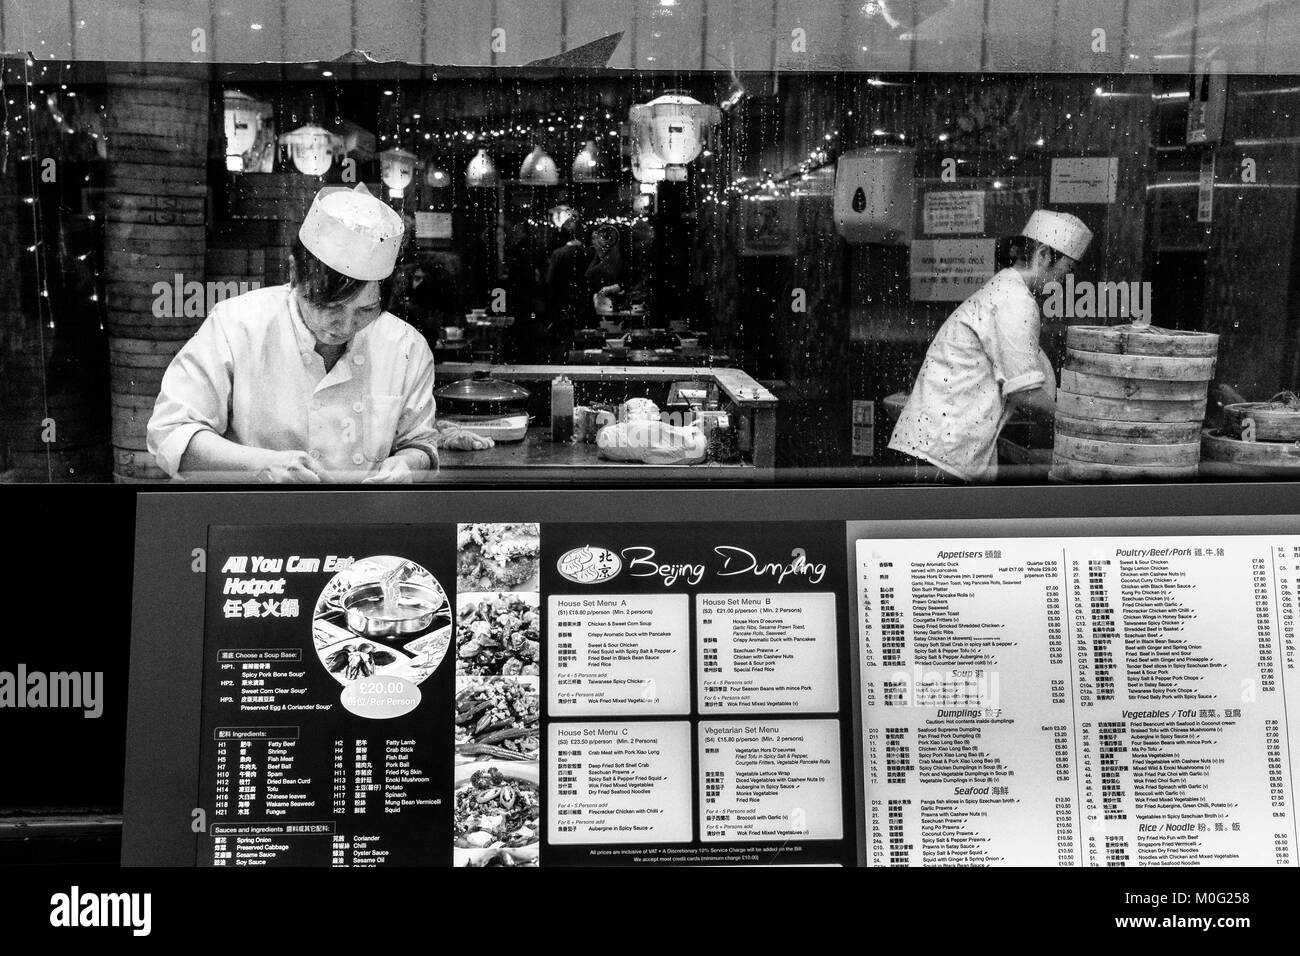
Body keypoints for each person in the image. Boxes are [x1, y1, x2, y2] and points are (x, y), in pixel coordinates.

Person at [147, 182, 490, 484]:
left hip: (367, 531)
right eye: (329, 306)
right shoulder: (237, 325)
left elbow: (419, 442)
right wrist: (262, 466)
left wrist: (405, 465)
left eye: (365, 311)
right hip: (257, 535)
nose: (343, 326)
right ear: (295, 273)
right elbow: (172, 434)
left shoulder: (405, 346)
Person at [888, 210, 1093, 483]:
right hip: (940, 455)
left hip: (932, 451)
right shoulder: (1014, 300)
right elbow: (1026, 395)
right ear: (1043, 255)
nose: (1064, 282)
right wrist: (1082, 426)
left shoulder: (1003, 290)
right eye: (1065, 270)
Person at [544, 215, 589, 360]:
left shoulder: (558, 254)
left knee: (564, 332)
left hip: (561, 297)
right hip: (582, 297)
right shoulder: (588, 253)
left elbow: (549, 279)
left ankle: (565, 357)